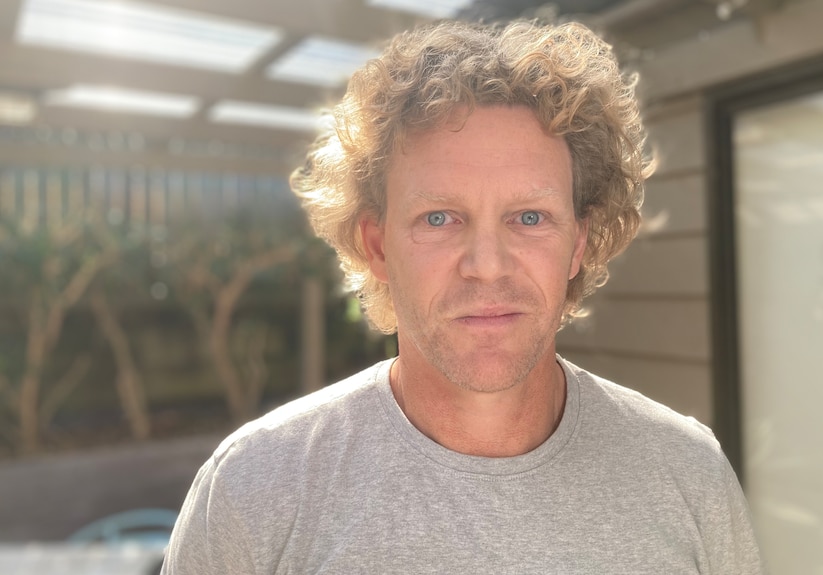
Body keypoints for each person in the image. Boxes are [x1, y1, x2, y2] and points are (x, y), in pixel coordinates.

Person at [162, 19, 765, 574]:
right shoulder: (253, 491)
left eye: (529, 216)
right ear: (377, 246)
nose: (486, 266)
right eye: (439, 218)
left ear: (578, 242)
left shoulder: (689, 475)